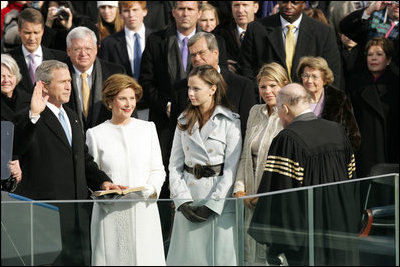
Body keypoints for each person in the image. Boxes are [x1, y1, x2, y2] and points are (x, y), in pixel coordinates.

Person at [12, 60, 124, 265]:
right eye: (62, 82)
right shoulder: (27, 116)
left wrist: (103, 182)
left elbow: (83, 159)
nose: (68, 86)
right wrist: (34, 115)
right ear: (43, 86)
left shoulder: (72, 116)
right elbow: (16, 149)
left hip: (78, 214)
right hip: (46, 217)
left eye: (69, 81)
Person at [248, 83, 359, 266]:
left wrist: (275, 245)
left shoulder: (287, 139)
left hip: (309, 238)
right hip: (342, 232)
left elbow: (281, 197)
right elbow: (352, 182)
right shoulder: (338, 131)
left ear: (284, 108)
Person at [87, 73, 166, 265]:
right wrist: (106, 194)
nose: (128, 104)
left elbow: (158, 169)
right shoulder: (95, 134)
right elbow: (92, 176)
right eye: (122, 98)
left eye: (132, 98)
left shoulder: (148, 129)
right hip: (110, 215)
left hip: (144, 211)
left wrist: (150, 189)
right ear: (110, 100)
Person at [166, 65, 242, 265]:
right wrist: (182, 200)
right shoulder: (183, 120)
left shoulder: (231, 122)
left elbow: (232, 168)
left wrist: (213, 204)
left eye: (196, 88)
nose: (190, 93)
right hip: (189, 202)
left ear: (213, 89)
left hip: (218, 204)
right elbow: (174, 165)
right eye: (189, 88)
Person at [232, 62, 288, 265]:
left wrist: (264, 195)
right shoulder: (255, 111)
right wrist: (240, 189)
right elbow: (245, 155)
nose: (268, 91)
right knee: (250, 253)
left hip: (274, 196)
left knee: (273, 254)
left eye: (273, 85)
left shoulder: (289, 116)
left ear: (284, 85)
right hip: (249, 193)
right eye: (263, 86)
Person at [239, 1, 343, 89]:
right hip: (268, 104)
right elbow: (246, 68)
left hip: (309, 104)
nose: (288, 6)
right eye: (284, 1)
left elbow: (332, 75)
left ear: (303, 4)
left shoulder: (323, 32)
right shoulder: (257, 29)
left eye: (294, 2)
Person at [347, 36, 398, 178]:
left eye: (379, 54)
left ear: (388, 60)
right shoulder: (356, 84)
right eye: (370, 55)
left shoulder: (394, 85)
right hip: (365, 147)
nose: (373, 58)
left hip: (389, 146)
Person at [64, 26, 126, 132]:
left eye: (88, 48)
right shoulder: (59, 74)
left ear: (96, 49)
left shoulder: (115, 72)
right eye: (77, 49)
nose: (83, 54)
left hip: (108, 137)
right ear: (68, 51)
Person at [296, 56, 361, 152]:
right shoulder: (295, 100)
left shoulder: (338, 99)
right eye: (305, 75)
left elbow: (353, 136)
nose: (309, 80)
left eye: (314, 76)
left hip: (331, 157)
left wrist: (339, 157)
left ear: (324, 80)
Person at [8, 7, 67, 94]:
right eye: (27, 33)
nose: (32, 38)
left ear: (42, 31)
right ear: (19, 31)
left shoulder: (60, 58)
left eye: (36, 33)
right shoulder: (7, 60)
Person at [1, 53, 30, 187]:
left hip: (27, 167)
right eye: (1, 76)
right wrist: (11, 160)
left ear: (16, 77)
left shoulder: (29, 101)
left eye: (10, 75)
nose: (6, 80)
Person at [212, 1, 259, 74]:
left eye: (245, 5)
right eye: (236, 5)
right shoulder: (219, 33)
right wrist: (223, 65)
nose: (240, 10)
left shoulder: (266, 32)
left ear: (255, 7)